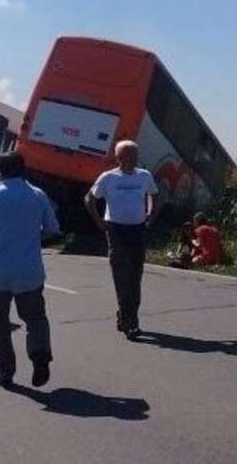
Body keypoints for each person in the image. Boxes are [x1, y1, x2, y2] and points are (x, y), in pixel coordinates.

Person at [0, 153, 61, 388]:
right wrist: (32, 236)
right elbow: (52, 230)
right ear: (23, 169)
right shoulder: (38, 196)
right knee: (35, 318)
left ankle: (5, 371)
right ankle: (40, 357)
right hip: (29, 271)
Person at [84, 140, 158, 340]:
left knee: (135, 278)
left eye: (135, 156)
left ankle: (125, 315)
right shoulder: (108, 178)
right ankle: (130, 323)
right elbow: (89, 199)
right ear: (119, 158)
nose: (132, 160)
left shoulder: (144, 176)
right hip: (116, 231)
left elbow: (154, 195)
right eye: (128, 156)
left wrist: (150, 215)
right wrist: (99, 221)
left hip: (137, 231)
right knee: (122, 277)